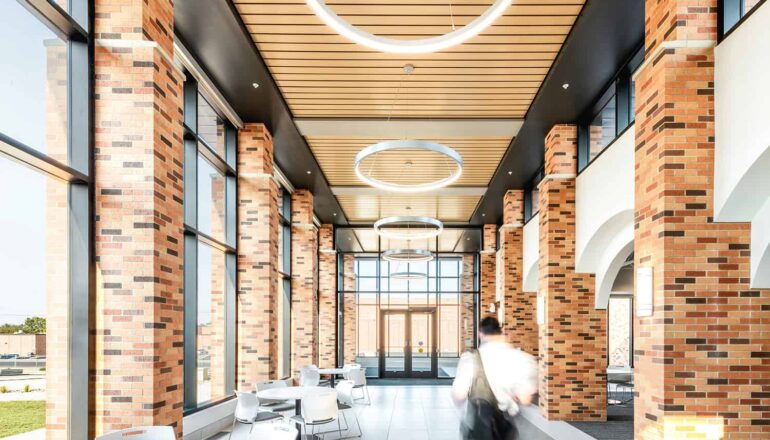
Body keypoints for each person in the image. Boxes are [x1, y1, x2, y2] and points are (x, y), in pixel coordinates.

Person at [451, 316, 538, 440]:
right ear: (501, 332)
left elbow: (459, 395)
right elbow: (525, 399)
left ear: (480, 333)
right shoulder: (524, 359)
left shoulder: (470, 359)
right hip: (505, 428)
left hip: (480, 427)